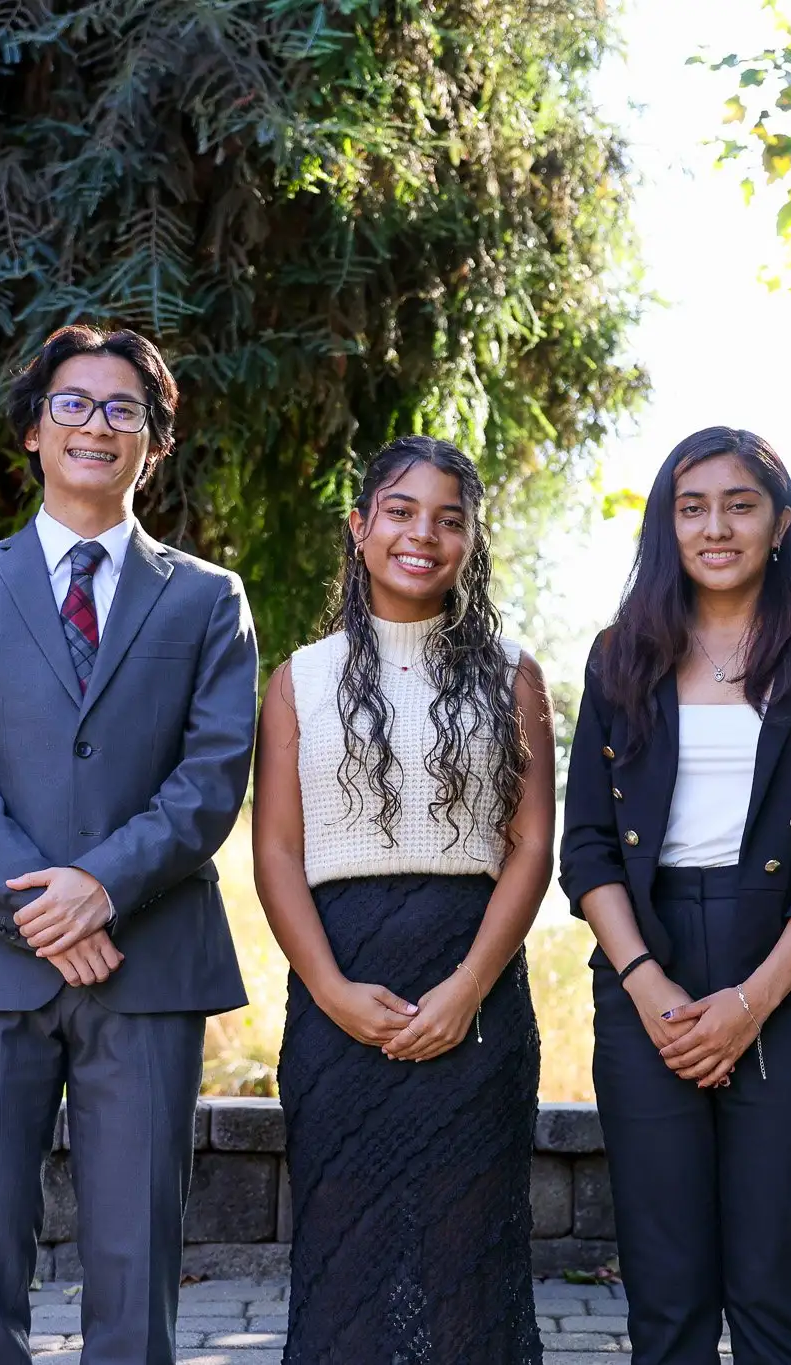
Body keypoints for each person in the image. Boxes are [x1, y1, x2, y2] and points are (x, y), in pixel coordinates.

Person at [0, 324, 257, 1365]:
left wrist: (99, 888)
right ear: (31, 430)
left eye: (123, 409)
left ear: (155, 442)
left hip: (146, 965)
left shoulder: (207, 598)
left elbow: (211, 776)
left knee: (139, 1257)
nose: (96, 425)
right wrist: (42, 911)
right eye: (73, 403)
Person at [560, 427, 791, 1365]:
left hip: (785, 976)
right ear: (668, 525)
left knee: (772, 1276)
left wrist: (751, 1002)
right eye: (692, 505)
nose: (717, 526)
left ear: (781, 522)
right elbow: (586, 846)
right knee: (664, 1286)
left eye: (740, 504)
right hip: (645, 972)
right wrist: (646, 981)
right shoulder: (621, 655)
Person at [251, 435, 555, 1364]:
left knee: (469, 1252)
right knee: (346, 1250)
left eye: (449, 518)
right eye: (400, 510)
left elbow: (531, 846)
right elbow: (276, 850)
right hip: (338, 988)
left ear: (471, 540)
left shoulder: (514, 673)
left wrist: (467, 988)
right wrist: (333, 990)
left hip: (476, 988)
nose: (424, 534)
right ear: (359, 526)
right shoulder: (298, 677)